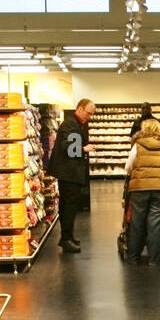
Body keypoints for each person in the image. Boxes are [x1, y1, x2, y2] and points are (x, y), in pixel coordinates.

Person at [124, 115, 160, 267]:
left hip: (139, 189)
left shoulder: (137, 145)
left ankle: (133, 257)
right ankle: (155, 260)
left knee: (137, 223)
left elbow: (128, 167)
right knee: (155, 225)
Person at [49, 98, 94, 254]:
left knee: (67, 205)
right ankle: (66, 239)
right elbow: (70, 149)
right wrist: (85, 149)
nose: (89, 117)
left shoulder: (75, 123)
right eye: (88, 113)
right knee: (69, 206)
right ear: (80, 109)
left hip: (69, 172)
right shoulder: (70, 124)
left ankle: (67, 237)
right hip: (69, 173)